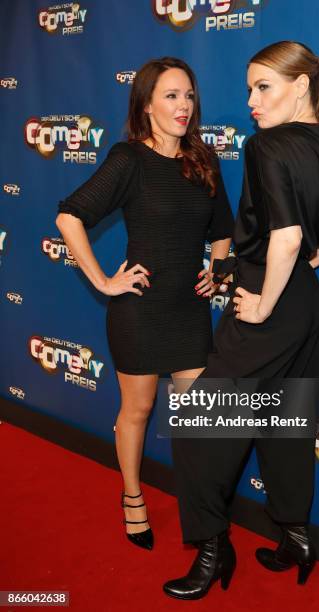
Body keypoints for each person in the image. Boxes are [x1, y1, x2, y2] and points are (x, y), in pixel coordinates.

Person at [163, 41, 319, 599]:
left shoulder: (267, 145)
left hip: (267, 298)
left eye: (263, 87)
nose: (250, 99)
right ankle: (295, 535)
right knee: (284, 422)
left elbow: (287, 236)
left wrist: (266, 300)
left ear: (301, 86)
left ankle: (211, 548)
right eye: (249, 87)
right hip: (304, 302)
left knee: (200, 429)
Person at [55, 57, 234, 551]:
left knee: (201, 418)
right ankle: (132, 497)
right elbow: (70, 215)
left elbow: (222, 229)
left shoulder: (204, 159)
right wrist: (103, 281)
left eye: (189, 96)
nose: (183, 106)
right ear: (147, 103)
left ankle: (203, 514)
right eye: (171, 95)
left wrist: (217, 272)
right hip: (141, 310)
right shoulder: (128, 159)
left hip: (189, 313)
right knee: (138, 409)